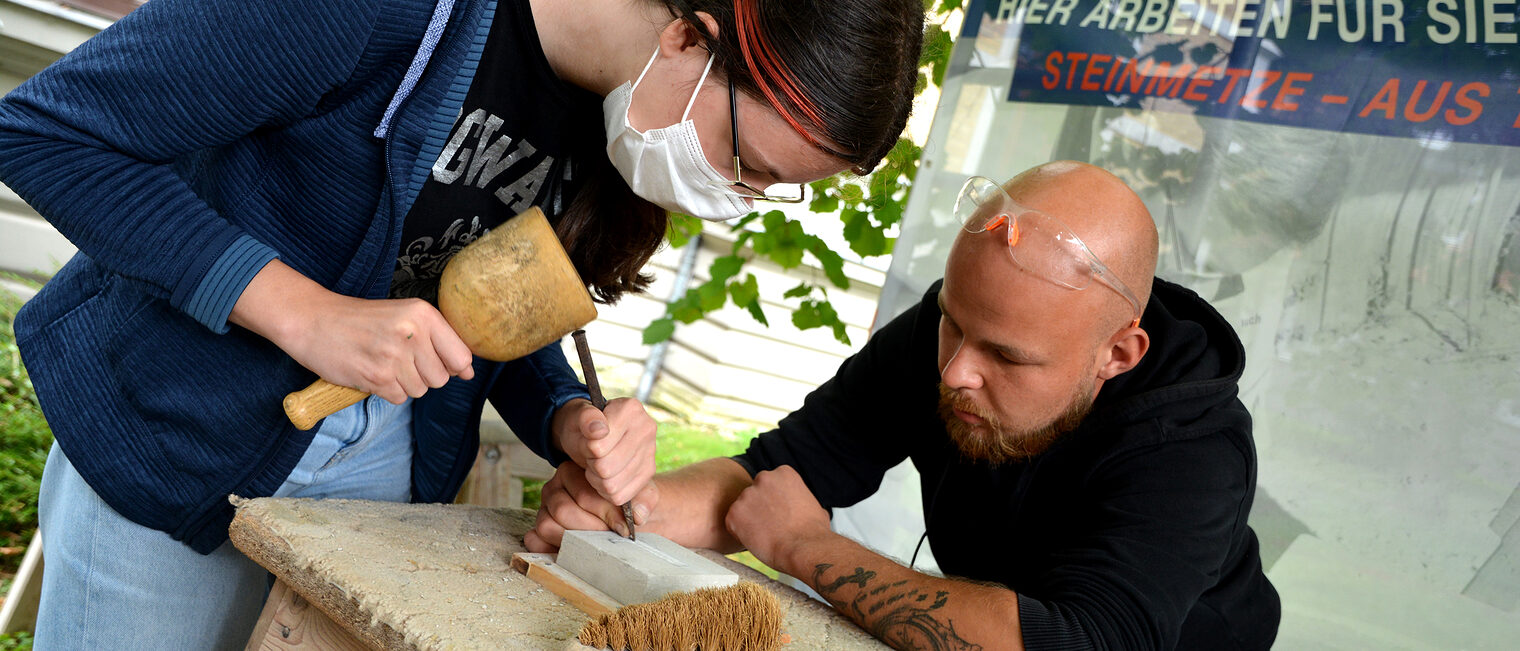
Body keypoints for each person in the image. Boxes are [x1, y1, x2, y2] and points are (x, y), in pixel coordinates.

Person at [0, 0, 924, 647]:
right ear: (689, 37)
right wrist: (303, 311)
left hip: (381, 480)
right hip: (178, 429)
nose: (736, 198)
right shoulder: (381, 10)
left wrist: (566, 414)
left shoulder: (614, 109)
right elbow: (45, 132)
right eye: (747, 163)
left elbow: (479, 301)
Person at [529, 161, 1282, 650]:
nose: (956, 371)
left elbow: (1076, 642)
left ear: (1118, 354)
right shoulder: (946, 335)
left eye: (1007, 356)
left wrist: (807, 549)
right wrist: (630, 508)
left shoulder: (1193, 448)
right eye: (956, 322)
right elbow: (776, 476)